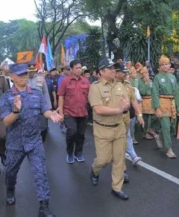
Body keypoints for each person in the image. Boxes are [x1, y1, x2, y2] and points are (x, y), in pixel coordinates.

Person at [0, 63, 62, 217]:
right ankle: (10, 190)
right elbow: (6, 122)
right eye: (20, 75)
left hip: (34, 140)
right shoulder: (7, 96)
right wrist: (15, 111)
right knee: (11, 172)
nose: (24, 77)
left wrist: (51, 114)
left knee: (40, 172)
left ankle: (44, 206)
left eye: (25, 74)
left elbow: (45, 110)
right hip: (15, 143)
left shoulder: (36, 93)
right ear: (12, 76)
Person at [88, 58, 130, 201]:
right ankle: (95, 171)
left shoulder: (120, 85)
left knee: (119, 159)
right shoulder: (95, 87)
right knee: (103, 160)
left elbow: (126, 104)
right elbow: (98, 109)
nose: (114, 71)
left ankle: (116, 188)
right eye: (110, 68)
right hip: (103, 130)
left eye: (114, 68)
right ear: (101, 72)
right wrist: (119, 109)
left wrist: (126, 106)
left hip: (119, 128)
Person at [58, 60, 90, 164]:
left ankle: (78, 152)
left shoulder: (85, 81)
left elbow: (90, 97)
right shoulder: (65, 81)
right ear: (71, 69)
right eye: (76, 68)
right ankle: (70, 152)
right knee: (72, 132)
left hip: (83, 113)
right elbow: (61, 97)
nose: (79, 70)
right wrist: (61, 113)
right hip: (69, 112)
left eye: (80, 68)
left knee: (81, 134)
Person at [114, 62, 144, 168]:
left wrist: (139, 114)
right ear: (116, 73)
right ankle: (132, 155)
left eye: (126, 72)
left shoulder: (128, 85)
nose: (126, 74)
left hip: (127, 116)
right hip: (114, 117)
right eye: (123, 72)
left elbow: (134, 100)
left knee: (127, 135)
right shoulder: (110, 85)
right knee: (124, 137)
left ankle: (129, 155)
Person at [152, 55, 178, 158]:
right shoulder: (157, 78)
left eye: (166, 64)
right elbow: (154, 93)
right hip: (162, 103)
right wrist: (157, 108)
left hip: (172, 103)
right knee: (166, 126)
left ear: (170, 64)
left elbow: (176, 91)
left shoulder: (173, 77)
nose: (165, 66)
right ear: (159, 66)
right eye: (162, 65)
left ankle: (158, 135)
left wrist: (178, 106)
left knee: (171, 126)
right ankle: (169, 149)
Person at [27, 63, 53, 143]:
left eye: (33, 71)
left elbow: (45, 93)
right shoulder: (22, 79)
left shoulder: (41, 79)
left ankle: (40, 143)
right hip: (28, 109)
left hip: (41, 108)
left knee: (43, 128)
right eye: (29, 71)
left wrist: (49, 107)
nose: (31, 73)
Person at [138, 67, 161, 145]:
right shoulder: (139, 82)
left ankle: (150, 129)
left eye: (147, 73)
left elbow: (153, 90)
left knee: (154, 116)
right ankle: (144, 133)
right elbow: (142, 91)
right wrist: (145, 83)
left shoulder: (151, 81)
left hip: (150, 100)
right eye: (145, 73)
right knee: (145, 117)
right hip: (143, 101)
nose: (146, 74)